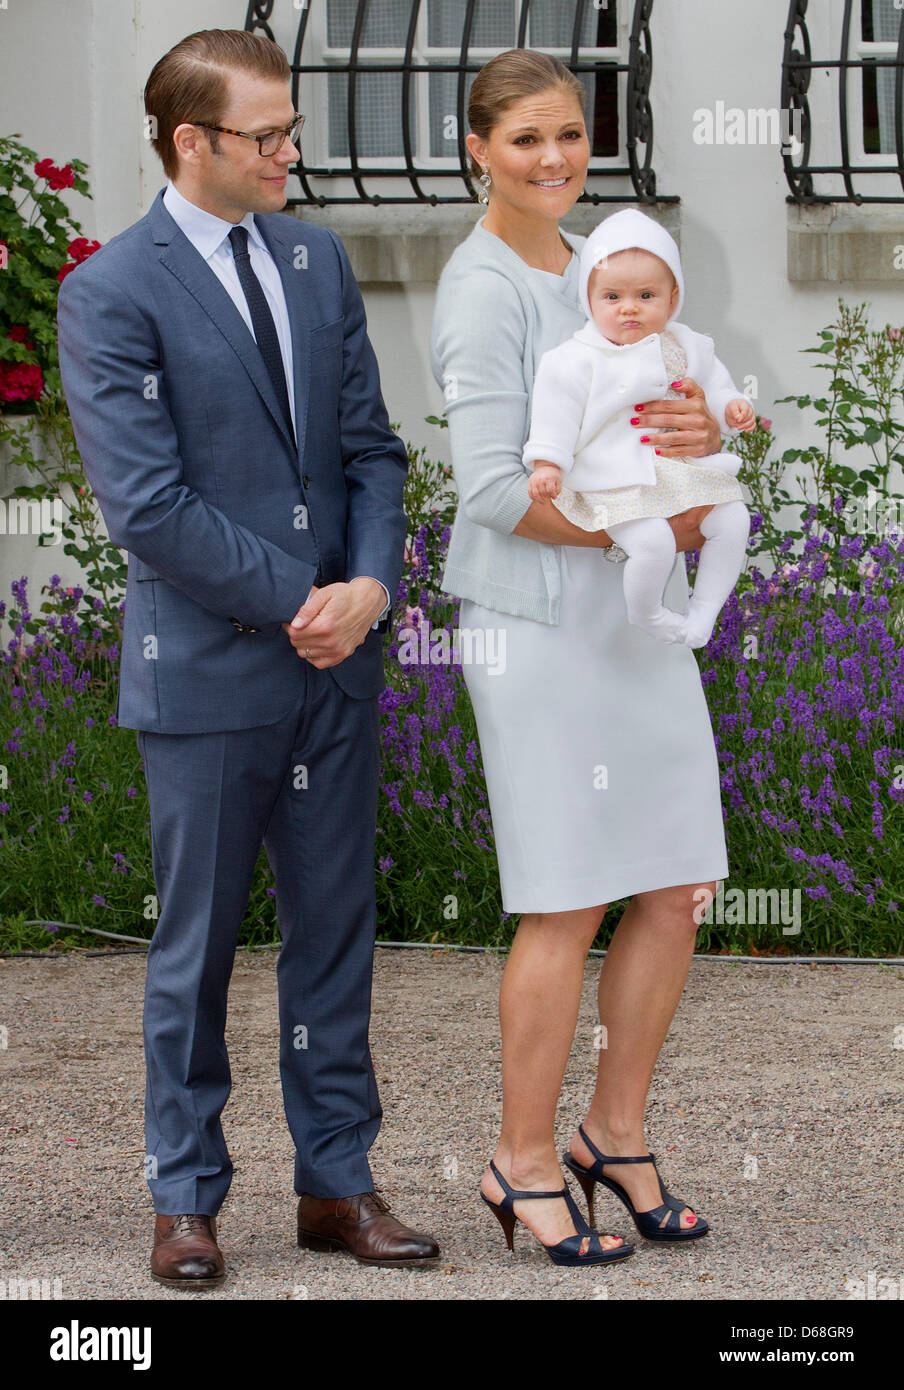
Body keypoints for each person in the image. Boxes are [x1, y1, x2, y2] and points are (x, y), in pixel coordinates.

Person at [57, 28, 439, 1286]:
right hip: (211, 676)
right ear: (191, 142)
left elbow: (372, 450)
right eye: (268, 135)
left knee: (336, 937)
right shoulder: (112, 288)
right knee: (197, 948)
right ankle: (186, 1198)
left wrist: (372, 587)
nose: (292, 152)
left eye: (292, 131)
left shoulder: (316, 258)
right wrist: (307, 598)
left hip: (333, 667)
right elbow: (147, 508)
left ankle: (337, 1188)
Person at [431, 48, 730, 1262]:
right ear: (476, 151)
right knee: (565, 895)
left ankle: (614, 1133)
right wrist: (652, 525)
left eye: (569, 137)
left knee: (672, 883)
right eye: (524, 142)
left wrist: (701, 429)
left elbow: (674, 413)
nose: (553, 160)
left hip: (633, 615)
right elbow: (496, 490)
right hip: (542, 626)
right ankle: (517, 1159)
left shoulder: (606, 264)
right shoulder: (484, 288)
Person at [524, 208, 755, 648]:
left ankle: (703, 613)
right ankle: (647, 613)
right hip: (613, 479)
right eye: (612, 297)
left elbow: (716, 385)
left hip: (677, 471)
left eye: (646, 295)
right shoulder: (574, 359)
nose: (629, 307)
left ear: (672, 300)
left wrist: (733, 408)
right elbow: (555, 414)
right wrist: (548, 464)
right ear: (588, 301)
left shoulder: (689, 344)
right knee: (653, 544)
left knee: (733, 519)